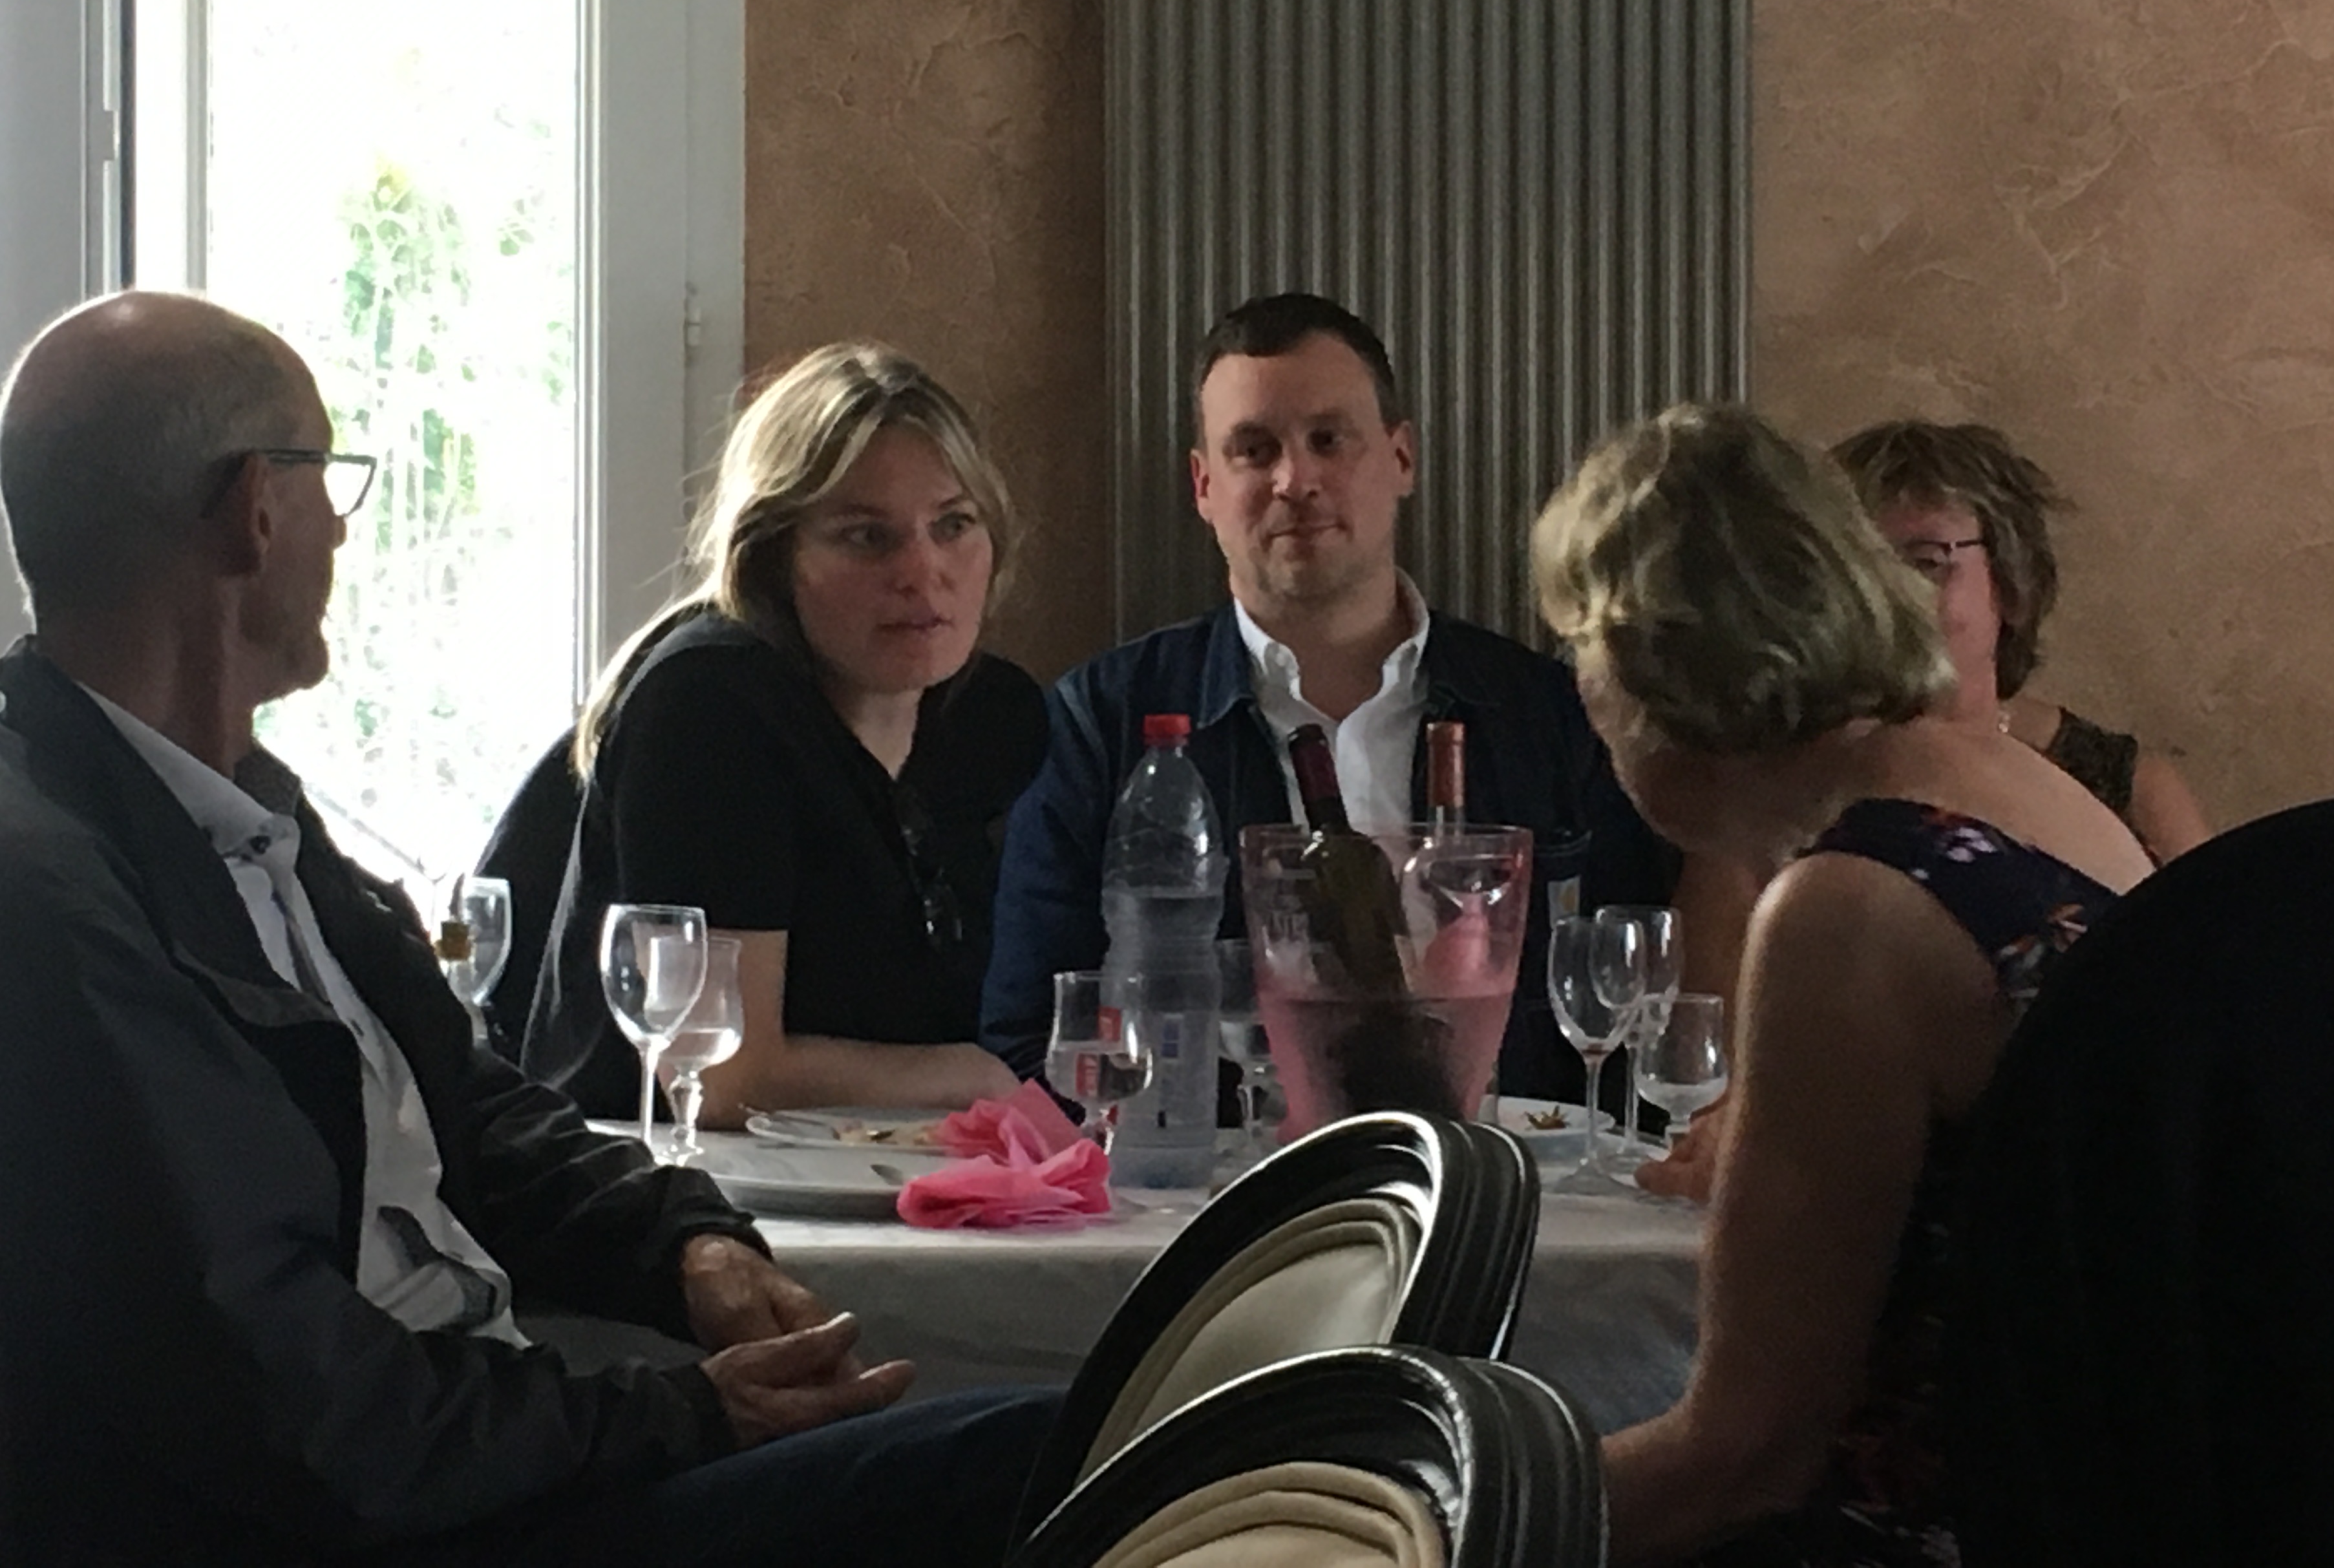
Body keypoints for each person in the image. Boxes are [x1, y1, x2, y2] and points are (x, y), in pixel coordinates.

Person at [0, 291, 1054, 1566]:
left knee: (1079, 1438)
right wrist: (682, 1414)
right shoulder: (53, 893)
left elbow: (480, 1107)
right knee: (1048, 1460)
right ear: (256, 509)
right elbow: (298, 1403)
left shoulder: (239, 813)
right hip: (403, 1527)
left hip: (496, 1462)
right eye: (330, 477)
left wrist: (684, 1246)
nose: (344, 527)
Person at [1530, 401, 2152, 1567]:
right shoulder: (2024, 787)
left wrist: (1426, 1537)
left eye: (1583, 651)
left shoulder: (1847, 912)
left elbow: (1747, 1456)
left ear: (1651, 674)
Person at [982, 291, 1675, 1106]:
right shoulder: (1100, 725)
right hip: (1218, 1180)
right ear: (1204, 487)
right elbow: (1028, 1039)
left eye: (1328, 440)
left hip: (1511, 1177)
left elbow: (1642, 1007)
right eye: (1254, 449)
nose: (1294, 480)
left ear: (1402, 458)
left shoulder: (1553, 715)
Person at [519, 341, 1043, 1121]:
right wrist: (977, 1078)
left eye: (954, 524)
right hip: (660, 1172)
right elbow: (721, 1073)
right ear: (773, 556)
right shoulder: (708, 705)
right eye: (867, 536)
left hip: (893, 1168)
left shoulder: (990, 716)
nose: (923, 570)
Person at [1829, 418, 2213, 863]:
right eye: (1860, 566)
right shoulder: (1797, 779)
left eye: (1926, 563)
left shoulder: (2131, 793)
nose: (1888, 595)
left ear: (2012, 586)